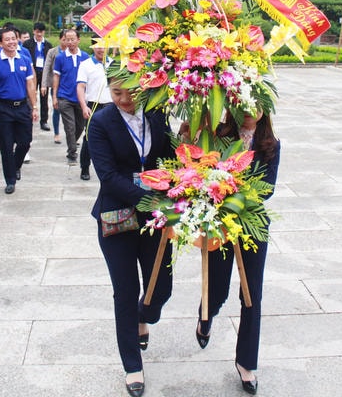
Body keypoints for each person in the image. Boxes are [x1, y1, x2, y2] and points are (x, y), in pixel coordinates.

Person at [87, 76, 175, 397]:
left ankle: (145, 316)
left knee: (161, 285)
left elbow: (170, 156)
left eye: (131, 92)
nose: (125, 99)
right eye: (117, 92)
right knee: (125, 291)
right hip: (117, 216)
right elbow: (107, 175)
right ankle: (132, 365)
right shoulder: (101, 122)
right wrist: (146, 198)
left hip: (155, 217)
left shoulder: (157, 112)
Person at [195, 111, 279, 396]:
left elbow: (266, 189)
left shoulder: (270, 143)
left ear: (264, 109)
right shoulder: (219, 135)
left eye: (255, 105)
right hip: (220, 222)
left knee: (251, 294)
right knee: (217, 287)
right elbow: (204, 173)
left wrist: (233, 189)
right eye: (243, 104)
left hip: (253, 224)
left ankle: (247, 363)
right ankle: (205, 316)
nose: (249, 111)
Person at [0, 28, 38, 194]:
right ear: (1, 42)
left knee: (25, 142)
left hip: (22, 106)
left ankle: (16, 165)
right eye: (7, 39)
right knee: (6, 146)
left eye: (14, 38)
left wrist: (34, 107)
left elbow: (30, 84)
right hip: (3, 108)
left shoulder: (24, 59)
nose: (11, 42)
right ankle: (10, 180)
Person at [76, 38, 113, 180]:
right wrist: (84, 106)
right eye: (97, 45)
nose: (101, 49)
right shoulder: (85, 65)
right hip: (93, 106)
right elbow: (80, 86)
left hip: (111, 106)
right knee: (89, 138)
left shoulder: (114, 64)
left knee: (112, 138)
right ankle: (84, 167)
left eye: (103, 45)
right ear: (93, 47)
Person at [53, 29, 89, 165]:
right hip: (64, 97)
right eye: (67, 39)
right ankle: (72, 152)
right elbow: (56, 77)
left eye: (72, 39)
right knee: (70, 126)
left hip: (80, 99)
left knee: (80, 126)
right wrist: (55, 97)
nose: (70, 42)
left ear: (78, 40)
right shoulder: (60, 57)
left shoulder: (85, 56)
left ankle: (72, 143)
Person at [23, 22, 53, 132]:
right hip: (32, 73)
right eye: (37, 31)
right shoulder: (27, 44)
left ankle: (44, 121)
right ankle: (29, 117)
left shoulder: (48, 45)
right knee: (30, 95)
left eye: (41, 31)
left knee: (44, 97)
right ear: (34, 31)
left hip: (44, 73)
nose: (39, 34)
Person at [42, 30, 67, 144]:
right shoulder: (52, 52)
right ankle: (57, 133)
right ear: (60, 39)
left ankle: (71, 135)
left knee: (70, 111)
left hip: (69, 86)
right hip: (56, 85)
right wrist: (44, 84)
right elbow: (46, 68)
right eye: (64, 39)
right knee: (57, 109)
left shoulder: (74, 52)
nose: (67, 42)